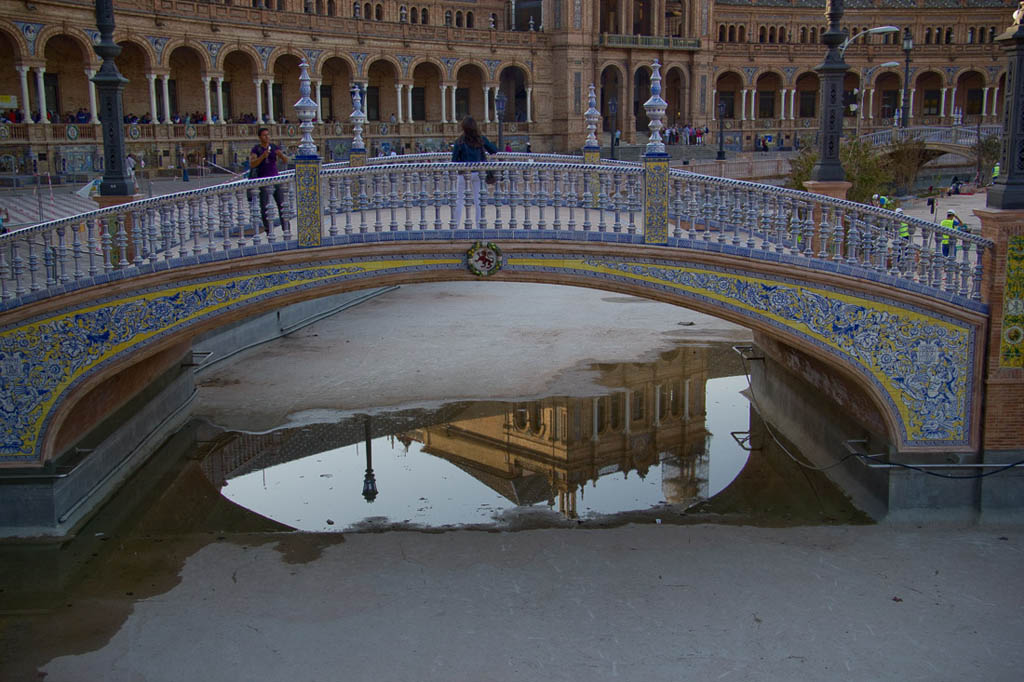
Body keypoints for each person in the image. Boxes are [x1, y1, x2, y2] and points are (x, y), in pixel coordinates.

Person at [451, 116, 497, 228]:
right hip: (478, 173)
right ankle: (479, 225)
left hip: (463, 174)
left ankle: (455, 225)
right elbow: (494, 150)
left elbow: (454, 160)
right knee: (479, 200)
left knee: (459, 200)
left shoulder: (460, 141)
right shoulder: (480, 139)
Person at [250, 127, 291, 233]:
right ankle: (268, 229)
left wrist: (281, 155)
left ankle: (286, 227)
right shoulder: (256, 149)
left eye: (268, 135)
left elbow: (286, 160)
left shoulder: (273, 147)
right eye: (264, 135)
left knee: (282, 204)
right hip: (263, 180)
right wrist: (262, 156)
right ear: (260, 137)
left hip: (275, 179)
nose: (267, 137)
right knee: (265, 206)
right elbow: (253, 163)